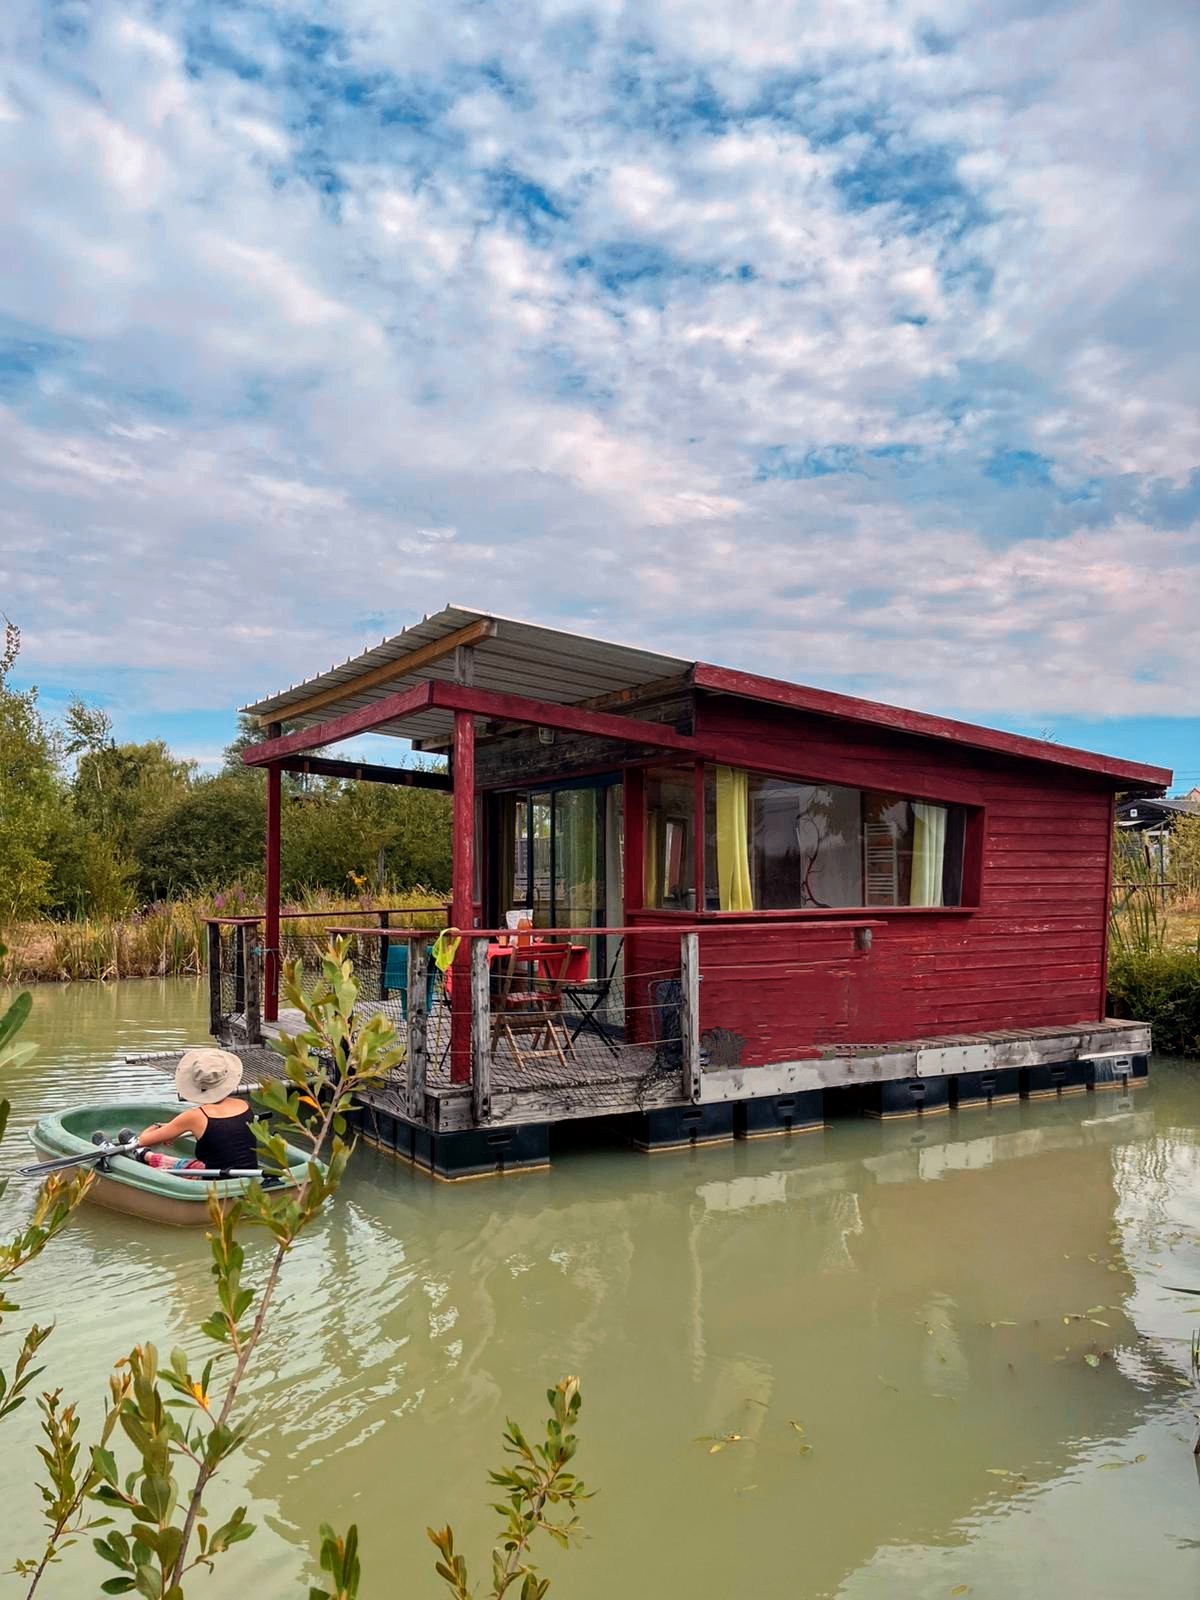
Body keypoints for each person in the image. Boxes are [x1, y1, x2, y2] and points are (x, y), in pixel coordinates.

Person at [135, 1047, 257, 1175]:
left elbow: (143, 1140)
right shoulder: (244, 1104)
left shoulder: (195, 1116)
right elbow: (219, 1132)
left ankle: (145, 1155)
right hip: (250, 1178)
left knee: (184, 1166)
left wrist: (157, 1126)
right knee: (189, 1164)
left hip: (215, 1183)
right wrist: (176, 1129)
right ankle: (146, 1156)